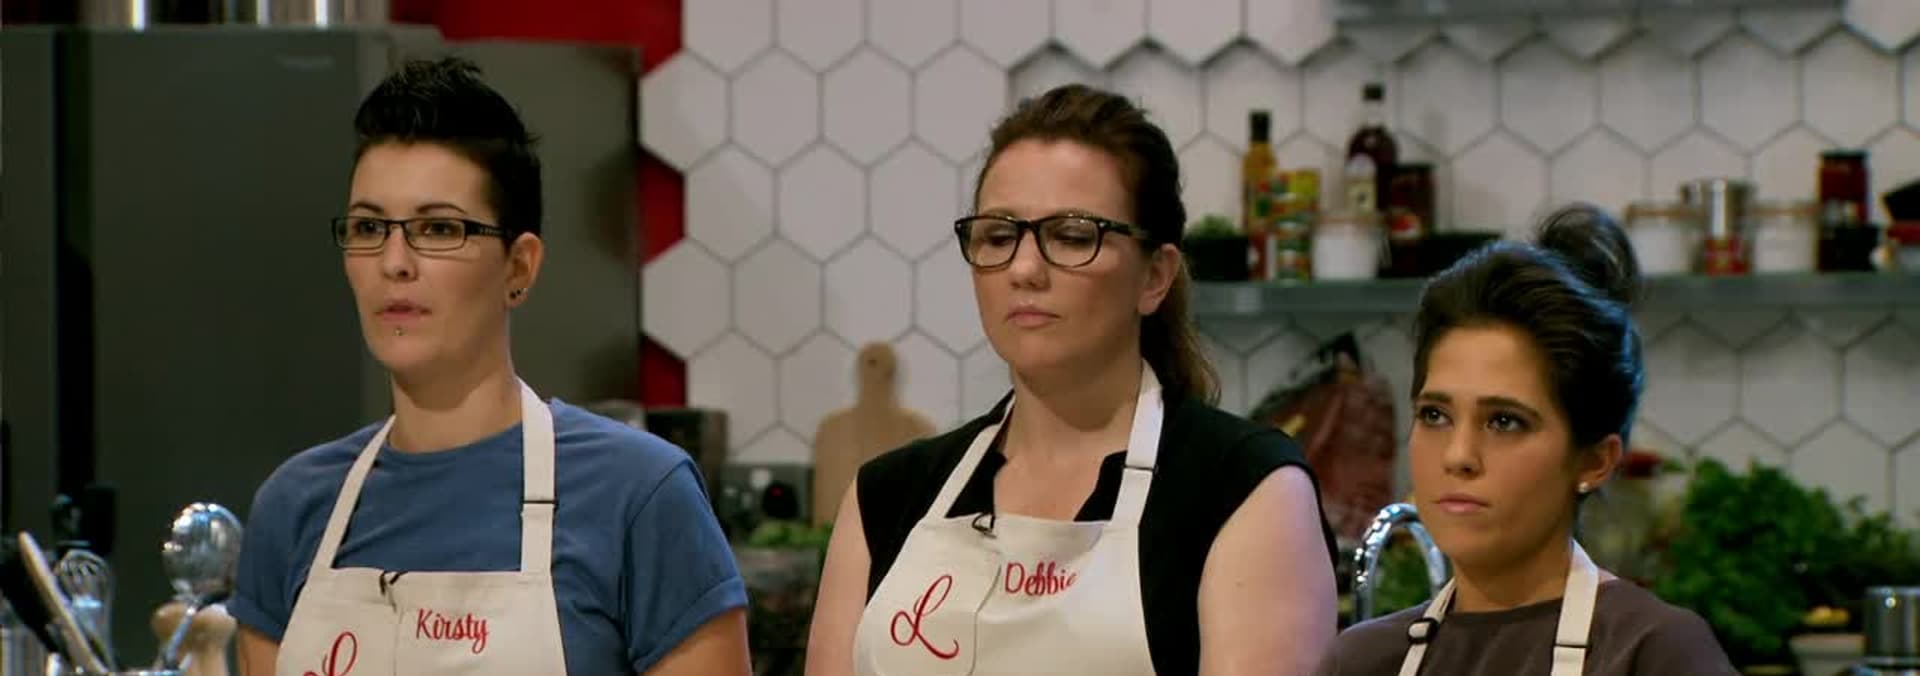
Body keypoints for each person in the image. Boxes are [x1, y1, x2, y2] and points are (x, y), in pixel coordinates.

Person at [228, 57, 750, 676]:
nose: (395, 262)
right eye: (369, 227)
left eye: (438, 228)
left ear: (519, 267)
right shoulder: (294, 507)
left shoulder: (638, 495)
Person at [805, 83, 1340, 676]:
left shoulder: (1244, 490)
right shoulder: (885, 498)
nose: (1024, 268)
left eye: (1073, 235)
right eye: (998, 236)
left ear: (1155, 277)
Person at [1313, 205, 1737, 675]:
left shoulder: (1653, 651)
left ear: (1595, 461)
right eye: (1435, 415)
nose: (1458, 455)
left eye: (1504, 421)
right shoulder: (1364, 660)